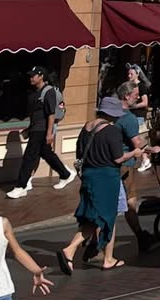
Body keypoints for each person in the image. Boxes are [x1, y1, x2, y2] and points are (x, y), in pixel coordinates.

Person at [57, 98, 134, 274]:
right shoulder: (112, 131)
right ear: (111, 115)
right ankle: (103, 257)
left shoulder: (85, 128)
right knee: (106, 216)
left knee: (94, 217)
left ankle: (73, 252)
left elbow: (78, 154)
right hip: (106, 178)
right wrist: (135, 153)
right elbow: (117, 158)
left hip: (89, 177)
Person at [6, 67, 74, 199]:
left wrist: (49, 133)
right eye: (30, 75)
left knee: (29, 157)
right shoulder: (34, 93)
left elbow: (51, 115)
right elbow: (35, 115)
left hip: (42, 129)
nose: (31, 78)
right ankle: (65, 174)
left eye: (33, 75)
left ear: (41, 76)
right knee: (46, 154)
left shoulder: (48, 92)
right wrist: (29, 129)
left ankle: (21, 186)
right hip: (36, 128)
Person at [103, 82, 152, 264]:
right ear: (126, 96)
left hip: (106, 165)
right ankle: (141, 236)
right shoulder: (129, 118)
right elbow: (137, 143)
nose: (138, 97)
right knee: (130, 203)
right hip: (124, 165)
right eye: (136, 94)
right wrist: (152, 150)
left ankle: (94, 242)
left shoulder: (109, 116)